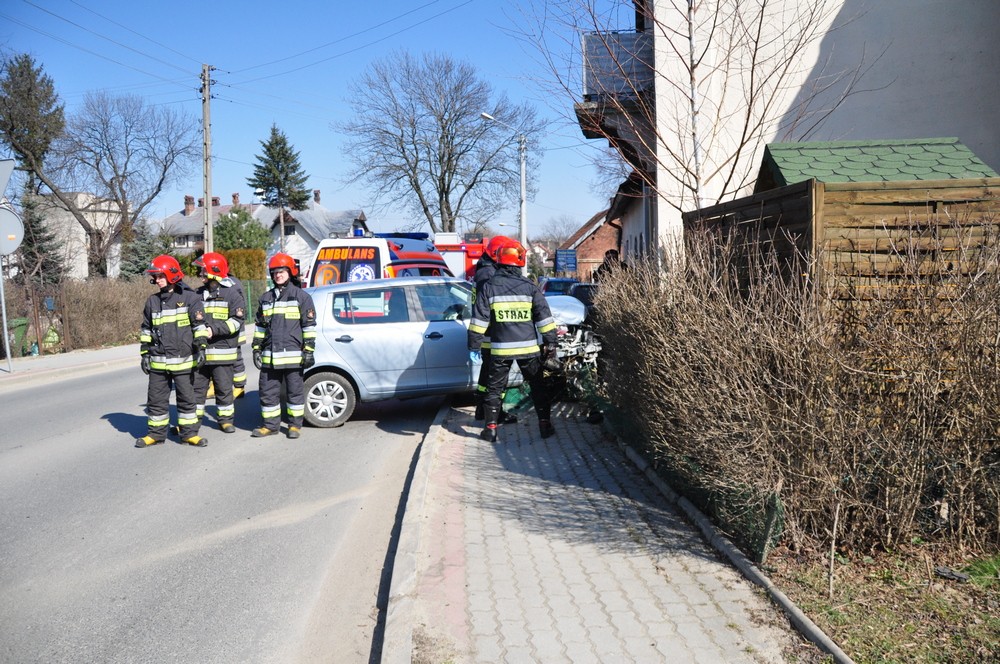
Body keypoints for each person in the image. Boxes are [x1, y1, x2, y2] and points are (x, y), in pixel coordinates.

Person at [468, 241, 558, 442]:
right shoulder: (530, 287)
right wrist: (551, 343)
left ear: (498, 262)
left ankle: (490, 429)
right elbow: (544, 318)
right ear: (519, 264)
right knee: (537, 386)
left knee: (495, 388)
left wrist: (474, 345)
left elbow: (479, 320)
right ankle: (544, 425)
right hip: (529, 349)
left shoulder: (489, 287)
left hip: (500, 349)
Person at [136, 254, 209, 448]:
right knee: (156, 399)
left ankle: (189, 434)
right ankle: (155, 434)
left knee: (186, 398)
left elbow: (198, 325)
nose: (157, 280)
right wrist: (144, 354)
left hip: (184, 360)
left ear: (171, 275)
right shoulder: (152, 301)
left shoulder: (190, 298)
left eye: (160, 276)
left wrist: (201, 347)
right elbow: (146, 329)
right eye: (156, 277)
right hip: (159, 361)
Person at [251, 253, 317, 439]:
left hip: (293, 356)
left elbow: (309, 326)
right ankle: (270, 426)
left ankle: (295, 426)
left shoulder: (301, 297)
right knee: (267, 392)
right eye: (274, 272)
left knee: (294, 393)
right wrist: (256, 348)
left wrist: (309, 351)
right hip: (270, 356)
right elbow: (260, 326)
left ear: (290, 272)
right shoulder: (266, 298)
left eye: (281, 271)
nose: (278, 275)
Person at [192, 252, 245, 434]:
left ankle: (226, 420)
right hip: (201, 353)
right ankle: (193, 422)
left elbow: (236, 322)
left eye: (202, 271)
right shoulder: (197, 295)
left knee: (223, 389)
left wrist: (213, 330)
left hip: (223, 352)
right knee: (197, 390)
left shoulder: (232, 294)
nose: (200, 274)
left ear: (213, 271)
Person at [472, 235, 517, 425]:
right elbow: (490, 303)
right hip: (493, 331)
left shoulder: (485, 270)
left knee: (488, 374)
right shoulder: (488, 274)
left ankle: (482, 410)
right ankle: (494, 413)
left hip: (490, 330)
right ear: (496, 253)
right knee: (498, 376)